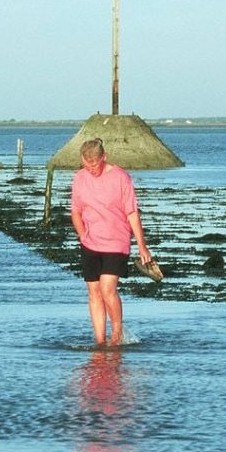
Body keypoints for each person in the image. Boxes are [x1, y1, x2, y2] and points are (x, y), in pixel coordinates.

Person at [70, 138, 152, 346]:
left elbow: (132, 213)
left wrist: (142, 246)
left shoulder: (121, 178)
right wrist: (82, 235)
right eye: (86, 166)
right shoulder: (80, 178)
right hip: (90, 243)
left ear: (104, 157)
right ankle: (99, 342)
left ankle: (116, 335)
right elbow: (76, 211)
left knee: (107, 289)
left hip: (116, 242)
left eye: (94, 166)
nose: (90, 170)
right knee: (94, 292)